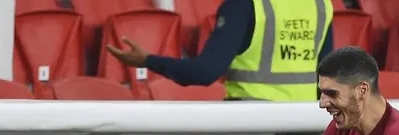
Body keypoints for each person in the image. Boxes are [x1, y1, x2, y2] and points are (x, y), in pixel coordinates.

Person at [107, 0, 333, 101]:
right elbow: (328, 75)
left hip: (252, 123)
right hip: (303, 122)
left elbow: (204, 72)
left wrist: (147, 60)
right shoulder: (320, 4)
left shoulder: (244, 5)